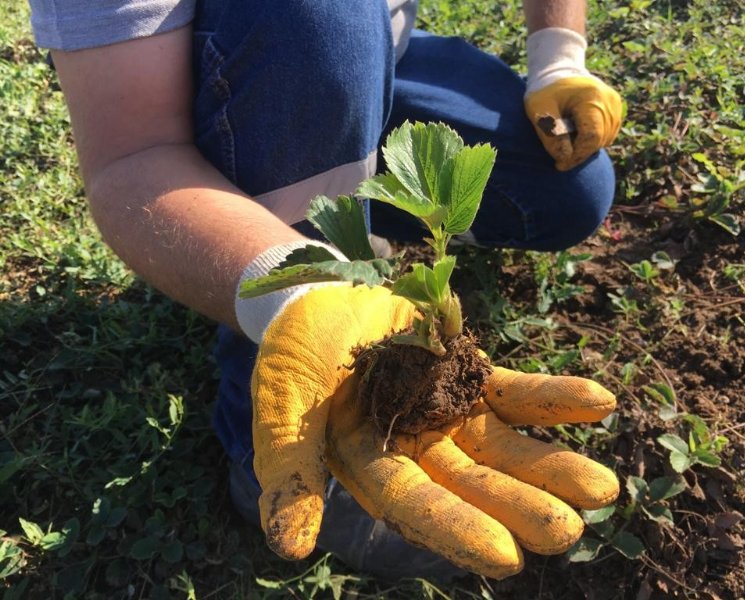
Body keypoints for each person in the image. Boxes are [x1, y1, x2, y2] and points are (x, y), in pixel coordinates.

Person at [29, 0, 623, 581]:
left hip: (382, 50)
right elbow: (133, 156)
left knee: (567, 191)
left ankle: (347, 175)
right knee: (320, 17)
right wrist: (302, 291)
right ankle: (259, 429)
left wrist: (559, 55)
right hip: (241, 64)